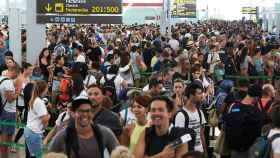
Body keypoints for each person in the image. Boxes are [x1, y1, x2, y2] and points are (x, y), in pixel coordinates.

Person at [48, 97, 119, 158]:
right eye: (80, 111)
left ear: (92, 114)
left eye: (88, 111)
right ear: (72, 114)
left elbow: (120, 154)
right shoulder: (64, 135)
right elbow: (50, 155)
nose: (85, 114)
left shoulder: (104, 133)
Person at [174, 82, 207, 154]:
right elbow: (178, 138)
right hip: (187, 154)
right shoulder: (181, 115)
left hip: (199, 152)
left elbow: (201, 134)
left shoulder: (200, 112)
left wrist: (205, 151)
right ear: (191, 95)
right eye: (199, 93)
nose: (202, 96)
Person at [24, 80, 51, 158]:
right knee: (37, 156)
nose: (47, 91)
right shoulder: (39, 102)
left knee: (31, 155)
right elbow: (44, 120)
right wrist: (49, 117)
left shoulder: (34, 99)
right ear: (43, 90)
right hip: (34, 132)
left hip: (29, 130)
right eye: (46, 89)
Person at [0, 66, 21, 158]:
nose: (18, 76)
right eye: (18, 74)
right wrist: (18, 92)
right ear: (14, 72)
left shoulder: (2, 79)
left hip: (6, 111)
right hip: (8, 111)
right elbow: (10, 99)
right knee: (6, 135)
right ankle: (4, 155)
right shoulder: (8, 83)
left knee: (6, 133)